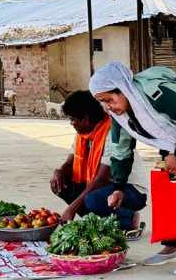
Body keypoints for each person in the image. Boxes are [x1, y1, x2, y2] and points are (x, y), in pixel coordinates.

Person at [90, 63, 176, 275]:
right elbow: (121, 151)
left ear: (124, 89)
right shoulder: (119, 115)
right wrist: (118, 187)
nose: (108, 107)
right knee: (169, 186)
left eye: (110, 99)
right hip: (171, 135)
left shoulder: (158, 95)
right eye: (102, 102)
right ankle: (173, 245)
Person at [52, 90, 145, 236]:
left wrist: (72, 208)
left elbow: (101, 179)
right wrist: (59, 172)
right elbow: (69, 164)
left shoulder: (111, 132)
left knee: (93, 199)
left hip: (130, 190)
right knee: (61, 185)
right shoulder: (82, 134)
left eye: (72, 119)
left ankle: (128, 218)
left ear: (86, 118)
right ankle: (97, 221)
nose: (71, 123)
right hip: (105, 187)